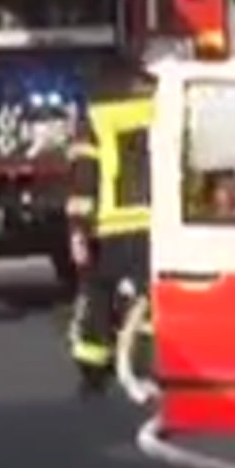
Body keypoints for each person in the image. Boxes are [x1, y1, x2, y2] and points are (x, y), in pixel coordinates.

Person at [65, 89, 154, 398]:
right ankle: (153, 363)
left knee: (96, 294)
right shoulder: (165, 102)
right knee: (154, 296)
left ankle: (93, 372)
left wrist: (79, 229)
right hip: (157, 223)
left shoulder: (95, 115)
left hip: (110, 225)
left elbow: (84, 178)